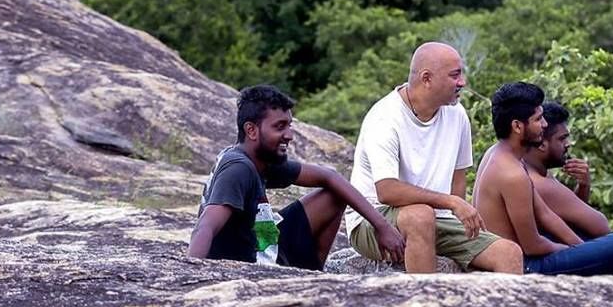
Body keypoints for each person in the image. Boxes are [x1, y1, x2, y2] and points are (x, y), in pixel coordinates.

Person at [347, 43, 524, 274]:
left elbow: (457, 179)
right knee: (420, 216)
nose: (462, 82)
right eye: (455, 75)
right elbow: (387, 191)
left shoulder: (457, 114)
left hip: (436, 220)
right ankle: (427, 306)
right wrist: (451, 202)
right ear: (427, 78)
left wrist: (459, 221)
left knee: (509, 253)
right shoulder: (384, 118)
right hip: (375, 221)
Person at [190, 84, 406, 269]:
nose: (290, 135)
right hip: (247, 265)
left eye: (289, 125)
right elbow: (206, 225)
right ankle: (305, 277)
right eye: (279, 127)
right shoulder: (238, 168)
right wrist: (194, 272)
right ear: (252, 131)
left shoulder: (261, 160)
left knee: (334, 195)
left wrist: (382, 226)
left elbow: (330, 177)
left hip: (264, 240)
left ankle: (313, 274)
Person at [474, 81, 613, 276]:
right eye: (538, 119)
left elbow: (545, 215)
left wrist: (581, 249)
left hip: (528, 254)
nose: (543, 124)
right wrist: (573, 252)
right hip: (524, 265)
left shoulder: (501, 154)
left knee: (596, 242)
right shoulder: (512, 174)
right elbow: (532, 245)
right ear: (517, 126)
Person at [524, 99, 612, 241]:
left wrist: (584, 185)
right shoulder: (540, 183)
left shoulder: (534, 169)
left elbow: (572, 218)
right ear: (541, 143)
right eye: (562, 139)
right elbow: (601, 227)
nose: (568, 144)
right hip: (533, 261)